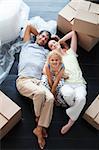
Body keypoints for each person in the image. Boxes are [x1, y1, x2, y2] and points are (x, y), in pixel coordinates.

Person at [16, 25, 54, 149]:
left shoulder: (46, 52)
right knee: (40, 94)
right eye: (42, 36)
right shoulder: (27, 44)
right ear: (37, 36)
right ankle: (38, 117)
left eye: (46, 39)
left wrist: (53, 40)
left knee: (50, 98)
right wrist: (40, 34)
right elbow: (29, 27)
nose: (43, 39)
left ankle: (39, 128)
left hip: (38, 81)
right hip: (24, 80)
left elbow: (57, 52)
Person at [48, 31, 87, 134]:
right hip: (67, 84)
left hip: (79, 83)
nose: (53, 45)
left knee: (81, 98)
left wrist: (59, 41)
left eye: (53, 43)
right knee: (68, 94)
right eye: (51, 46)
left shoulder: (71, 52)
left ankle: (71, 122)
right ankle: (76, 108)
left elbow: (73, 33)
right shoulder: (56, 61)